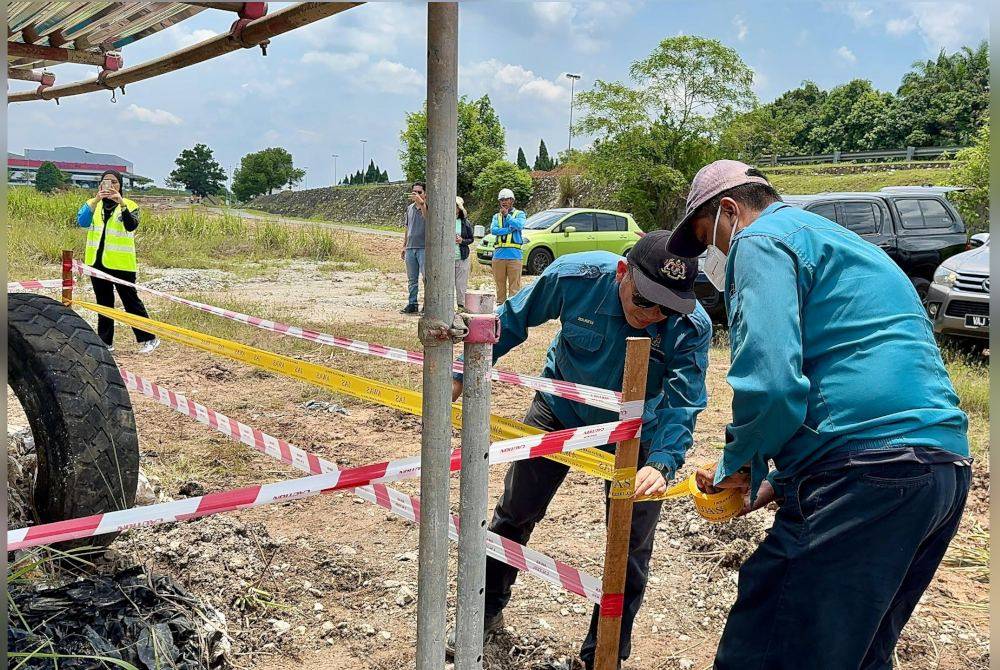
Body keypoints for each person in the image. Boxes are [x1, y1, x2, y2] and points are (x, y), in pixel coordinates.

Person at [665, 160, 971, 670]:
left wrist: (738, 466)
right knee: (853, 653)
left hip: (866, 476)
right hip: (938, 472)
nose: (715, 255)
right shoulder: (843, 242)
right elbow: (851, 374)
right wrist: (774, 484)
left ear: (729, 211)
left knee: (767, 652)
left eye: (708, 239)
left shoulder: (759, 240)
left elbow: (772, 384)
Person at [449, 234, 712, 669]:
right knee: (515, 512)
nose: (653, 315)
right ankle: (482, 614)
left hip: (637, 432)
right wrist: (462, 372)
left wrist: (662, 463)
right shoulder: (576, 277)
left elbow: (684, 401)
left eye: (666, 308)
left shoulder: (690, 326)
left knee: (630, 547)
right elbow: (510, 321)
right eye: (645, 301)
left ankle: (603, 655)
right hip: (560, 412)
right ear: (623, 273)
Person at [76, 169, 159, 354]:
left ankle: (149, 338)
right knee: (103, 303)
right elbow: (82, 222)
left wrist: (121, 203)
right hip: (97, 263)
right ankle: (106, 343)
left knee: (131, 302)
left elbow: (131, 225)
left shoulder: (130, 204)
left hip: (122, 264)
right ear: (100, 184)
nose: (110, 185)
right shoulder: (93, 204)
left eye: (114, 182)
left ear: (120, 185)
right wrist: (96, 200)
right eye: (106, 181)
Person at [490, 188, 525, 304]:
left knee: (515, 286)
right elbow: (494, 230)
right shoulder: (496, 216)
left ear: (512, 201)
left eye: (506, 199)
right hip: (499, 255)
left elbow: (519, 225)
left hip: (515, 256)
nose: (504, 202)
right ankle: (501, 306)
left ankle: (513, 308)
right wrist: (509, 230)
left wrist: (508, 217)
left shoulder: (519, 214)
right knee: (499, 285)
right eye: (502, 200)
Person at [400, 181, 427, 315]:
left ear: (425, 193)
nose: (416, 194)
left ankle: (428, 304)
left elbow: (428, 219)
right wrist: (404, 245)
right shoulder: (410, 208)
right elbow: (407, 227)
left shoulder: (427, 206)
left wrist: (421, 204)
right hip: (411, 247)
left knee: (426, 278)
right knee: (412, 279)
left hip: (424, 247)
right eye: (414, 192)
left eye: (419, 192)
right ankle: (412, 303)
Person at [455, 196, 474, 312]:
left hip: (462, 257)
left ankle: (461, 306)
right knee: (446, 284)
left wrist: (462, 241)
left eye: (456, 206)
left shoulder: (465, 223)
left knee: (461, 284)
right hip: (447, 258)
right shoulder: (443, 221)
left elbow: (471, 239)